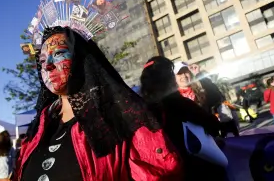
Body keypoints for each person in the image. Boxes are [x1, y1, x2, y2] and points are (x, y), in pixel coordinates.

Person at [15, 27, 183, 181]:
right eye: (42, 60)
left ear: (80, 58)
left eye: (58, 54)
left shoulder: (122, 119)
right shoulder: (37, 131)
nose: (48, 66)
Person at [140, 56, 226, 180]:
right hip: (194, 168)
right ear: (169, 79)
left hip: (161, 172)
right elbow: (211, 124)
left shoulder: (140, 110)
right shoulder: (179, 103)